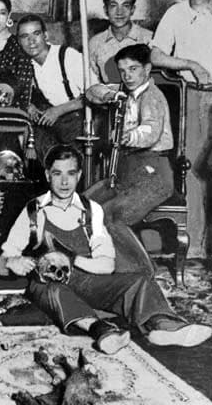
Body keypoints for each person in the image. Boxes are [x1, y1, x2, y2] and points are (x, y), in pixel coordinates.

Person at [0, 144, 212, 354]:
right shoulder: (33, 210)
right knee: (50, 290)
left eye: (70, 173)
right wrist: (11, 261)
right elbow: (1, 263)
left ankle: (164, 327)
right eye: (57, 173)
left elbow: (107, 265)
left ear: (79, 175)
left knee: (139, 281)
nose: (64, 181)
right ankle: (102, 331)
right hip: (52, 283)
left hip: (89, 281)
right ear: (47, 175)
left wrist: (71, 259)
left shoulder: (92, 210)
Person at [150, 0, 212, 257]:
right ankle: (196, 242)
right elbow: (156, 56)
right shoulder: (175, 13)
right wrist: (191, 64)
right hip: (192, 97)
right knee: (194, 167)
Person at [85, 44, 172, 273]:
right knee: (86, 205)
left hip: (154, 174)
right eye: (123, 71)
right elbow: (91, 92)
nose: (127, 76)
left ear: (147, 69)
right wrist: (110, 95)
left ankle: (143, 270)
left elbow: (150, 131)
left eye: (133, 69)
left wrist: (128, 136)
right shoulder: (124, 91)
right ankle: (109, 265)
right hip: (127, 172)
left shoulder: (152, 96)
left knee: (114, 216)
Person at [16, 13, 93, 162]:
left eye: (36, 34)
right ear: (19, 42)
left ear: (45, 35)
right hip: (53, 126)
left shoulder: (68, 56)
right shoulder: (26, 65)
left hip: (78, 121)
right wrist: (30, 106)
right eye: (25, 36)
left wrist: (59, 110)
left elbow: (94, 95)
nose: (31, 41)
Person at [89, 0, 152, 84]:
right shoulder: (95, 43)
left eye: (125, 6)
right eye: (113, 6)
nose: (119, 12)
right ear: (106, 10)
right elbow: (93, 81)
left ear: (132, 9)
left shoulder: (148, 38)